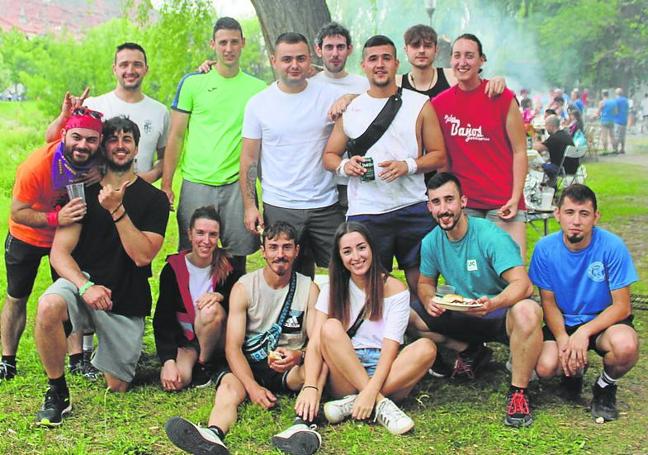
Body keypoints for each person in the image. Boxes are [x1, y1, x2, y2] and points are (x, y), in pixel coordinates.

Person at [33, 116, 169, 426]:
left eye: (127, 139)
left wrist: (116, 209)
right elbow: (59, 253)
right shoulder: (80, 191)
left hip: (126, 296)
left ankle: (115, 354)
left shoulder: (155, 199)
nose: (120, 145)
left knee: (117, 386)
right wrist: (84, 286)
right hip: (85, 289)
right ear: (103, 147)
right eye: (113, 139)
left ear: (136, 148)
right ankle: (57, 391)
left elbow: (142, 256)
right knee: (48, 305)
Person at [164, 222, 323, 455]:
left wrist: (298, 355)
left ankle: (303, 426)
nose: (280, 254)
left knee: (317, 368)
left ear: (297, 250)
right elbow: (233, 348)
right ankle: (213, 434)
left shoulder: (308, 289)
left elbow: (316, 344)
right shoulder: (245, 287)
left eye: (287, 247)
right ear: (263, 250)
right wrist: (253, 387)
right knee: (229, 389)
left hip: (288, 366)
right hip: (247, 362)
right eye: (274, 247)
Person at [410, 172, 543, 427]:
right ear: (429, 207)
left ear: (463, 202)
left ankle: (518, 393)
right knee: (408, 314)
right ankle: (471, 351)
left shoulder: (489, 236)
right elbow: (425, 284)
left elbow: (522, 284)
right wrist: (428, 300)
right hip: (463, 310)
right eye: (436, 202)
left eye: (449, 200)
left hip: (499, 312)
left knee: (527, 311)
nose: (443, 209)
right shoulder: (431, 242)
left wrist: (495, 303)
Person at [323, 34, 446, 297]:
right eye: (373, 59)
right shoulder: (352, 108)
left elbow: (439, 155)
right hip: (367, 210)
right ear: (363, 65)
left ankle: (427, 332)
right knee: (370, 286)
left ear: (396, 64)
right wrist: (346, 166)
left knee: (422, 283)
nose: (380, 64)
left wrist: (408, 165)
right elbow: (329, 156)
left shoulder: (420, 104)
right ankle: (377, 337)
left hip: (411, 205)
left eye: (386, 58)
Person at [298, 221, 436, 436]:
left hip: (386, 366)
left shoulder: (395, 289)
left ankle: (355, 402)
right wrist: (310, 386)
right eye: (347, 251)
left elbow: (391, 347)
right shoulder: (332, 289)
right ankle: (381, 403)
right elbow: (316, 343)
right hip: (347, 366)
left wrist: (370, 389)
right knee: (330, 327)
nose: (356, 257)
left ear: (372, 248)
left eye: (361, 247)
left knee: (427, 347)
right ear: (340, 257)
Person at [0, 108, 103, 381]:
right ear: (64, 135)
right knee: (16, 296)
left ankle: (76, 359)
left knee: (70, 297)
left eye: (91, 140)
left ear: (99, 142)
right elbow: (17, 211)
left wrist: (101, 169)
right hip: (28, 234)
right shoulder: (36, 165)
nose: (83, 145)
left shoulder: (97, 160)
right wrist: (56, 217)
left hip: (67, 239)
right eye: (77, 137)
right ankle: (7, 360)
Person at [162, 17, 266, 274]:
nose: (228, 48)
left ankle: (233, 309)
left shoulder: (258, 89)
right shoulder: (193, 83)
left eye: (234, 42)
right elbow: (176, 136)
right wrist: (166, 183)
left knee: (236, 256)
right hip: (197, 181)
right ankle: (187, 310)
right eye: (223, 43)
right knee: (191, 251)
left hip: (237, 184)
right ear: (213, 44)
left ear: (243, 43)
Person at [240, 32, 346, 278]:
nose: (294, 65)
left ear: (310, 59)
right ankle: (293, 317)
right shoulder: (258, 104)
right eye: (287, 59)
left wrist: (350, 97)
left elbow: (367, 101)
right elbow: (248, 159)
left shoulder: (329, 96)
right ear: (273, 61)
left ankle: (337, 317)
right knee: (286, 276)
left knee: (343, 270)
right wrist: (249, 206)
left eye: (300, 58)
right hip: (280, 204)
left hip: (325, 204)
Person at [530, 184, 639, 421]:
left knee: (625, 346)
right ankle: (575, 372)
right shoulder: (545, 249)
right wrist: (562, 338)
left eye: (584, 214)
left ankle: (605, 386)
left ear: (596, 217)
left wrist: (584, 332)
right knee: (545, 368)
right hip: (564, 321)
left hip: (602, 322)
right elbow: (547, 302)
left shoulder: (612, 247)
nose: (576, 221)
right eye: (569, 213)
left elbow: (622, 306)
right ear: (557, 214)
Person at [431, 34, 528, 259]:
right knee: (472, 275)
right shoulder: (440, 104)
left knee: (511, 272)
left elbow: (520, 151)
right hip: (465, 204)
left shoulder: (502, 97)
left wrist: (515, 197)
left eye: (469, 56)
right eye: (457, 56)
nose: (462, 62)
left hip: (503, 201)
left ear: (481, 60)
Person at [46, 43, 169, 184]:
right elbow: (51, 139)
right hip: (95, 194)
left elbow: (165, 157)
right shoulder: (92, 105)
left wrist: (146, 178)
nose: (130, 70)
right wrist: (65, 116)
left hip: (140, 197)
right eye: (124, 64)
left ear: (146, 69)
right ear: (114, 69)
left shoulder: (160, 111)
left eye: (137, 64)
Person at [153, 206, 242, 391]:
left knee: (210, 309)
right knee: (174, 382)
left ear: (219, 237)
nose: (206, 241)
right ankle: (195, 361)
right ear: (190, 234)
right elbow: (163, 319)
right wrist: (168, 361)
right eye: (200, 233)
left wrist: (221, 296)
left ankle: (205, 364)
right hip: (187, 342)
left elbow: (243, 304)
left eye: (213, 235)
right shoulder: (173, 268)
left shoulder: (229, 265)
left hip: (219, 338)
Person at [313, 22, 370, 212]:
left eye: (340, 47)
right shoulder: (308, 85)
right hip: (318, 181)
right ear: (319, 50)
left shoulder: (364, 85)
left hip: (355, 179)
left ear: (349, 49)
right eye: (329, 47)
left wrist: (351, 98)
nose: (335, 53)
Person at [396, 24, 505, 99]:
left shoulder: (452, 76)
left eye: (428, 46)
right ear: (406, 50)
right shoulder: (396, 83)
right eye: (415, 46)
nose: (422, 51)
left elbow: (480, 86)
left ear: (436, 50)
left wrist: (497, 80)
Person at [532, 114, 577, 188]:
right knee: (546, 162)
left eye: (546, 125)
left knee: (535, 164)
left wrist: (534, 138)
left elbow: (538, 148)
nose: (545, 128)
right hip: (573, 168)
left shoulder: (554, 138)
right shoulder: (565, 134)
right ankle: (551, 185)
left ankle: (543, 187)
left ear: (551, 126)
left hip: (561, 169)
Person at [598, 89, 616, 154]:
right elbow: (615, 112)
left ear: (602, 94)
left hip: (604, 120)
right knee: (612, 136)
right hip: (611, 120)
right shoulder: (613, 102)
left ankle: (605, 150)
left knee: (604, 136)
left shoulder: (602, 102)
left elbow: (598, 112)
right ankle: (614, 149)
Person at [613, 88, 629, 154]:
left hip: (617, 120)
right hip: (624, 120)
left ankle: (616, 149)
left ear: (616, 94)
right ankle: (622, 149)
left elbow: (615, 111)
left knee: (617, 135)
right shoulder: (626, 100)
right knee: (623, 135)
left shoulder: (616, 100)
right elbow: (627, 109)